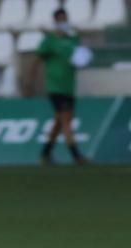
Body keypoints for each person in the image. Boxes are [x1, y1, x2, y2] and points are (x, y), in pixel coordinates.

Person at [37, 8, 88, 166]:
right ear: (56, 21)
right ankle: (76, 156)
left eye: (65, 19)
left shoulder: (73, 39)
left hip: (69, 86)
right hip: (55, 86)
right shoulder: (50, 40)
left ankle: (45, 154)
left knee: (60, 122)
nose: (63, 23)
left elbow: (80, 59)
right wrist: (29, 79)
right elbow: (38, 58)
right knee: (66, 120)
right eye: (60, 20)